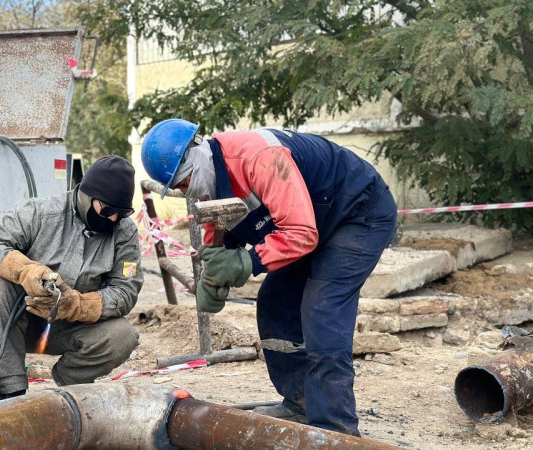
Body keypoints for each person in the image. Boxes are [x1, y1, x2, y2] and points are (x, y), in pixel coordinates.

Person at [141, 119, 397, 436]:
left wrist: (247, 261)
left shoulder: (259, 157)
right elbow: (218, 227)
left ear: (195, 155)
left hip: (357, 212)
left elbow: (301, 233)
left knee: (322, 309)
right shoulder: (210, 175)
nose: (185, 191)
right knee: (275, 301)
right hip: (314, 222)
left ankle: (335, 430)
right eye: (179, 188)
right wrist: (213, 274)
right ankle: (300, 401)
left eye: (183, 183)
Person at [0, 155, 143, 399]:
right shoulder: (42, 212)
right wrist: (26, 271)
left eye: (121, 213)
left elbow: (126, 290)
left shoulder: (124, 232)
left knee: (123, 336)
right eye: (108, 210)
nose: (114, 219)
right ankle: (11, 390)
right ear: (86, 196)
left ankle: (70, 380)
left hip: (71, 329)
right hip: (22, 321)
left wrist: (77, 305)